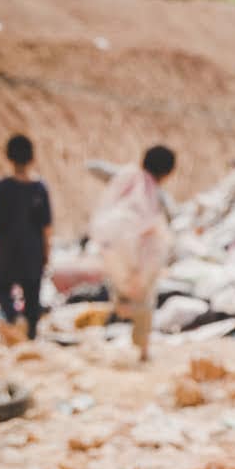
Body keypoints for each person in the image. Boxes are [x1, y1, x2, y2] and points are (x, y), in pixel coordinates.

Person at [89, 145, 176, 363]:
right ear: (167, 172)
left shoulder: (127, 177)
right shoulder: (153, 192)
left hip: (114, 245)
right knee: (145, 296)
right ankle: (143, 348)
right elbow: (166, 216)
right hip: (139, 249)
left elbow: (97, 168)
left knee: (122, 287)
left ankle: (122, 307)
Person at [0, 134, 51, 339]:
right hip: (33, 250)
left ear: (9, 157)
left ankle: (13, 317)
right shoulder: (40, 188)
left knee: (0, 288)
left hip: (7, 250)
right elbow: (46, 227)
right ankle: (30, 335)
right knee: (32, 296)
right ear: (32, 157)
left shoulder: (2, 187)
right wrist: (46, 252)